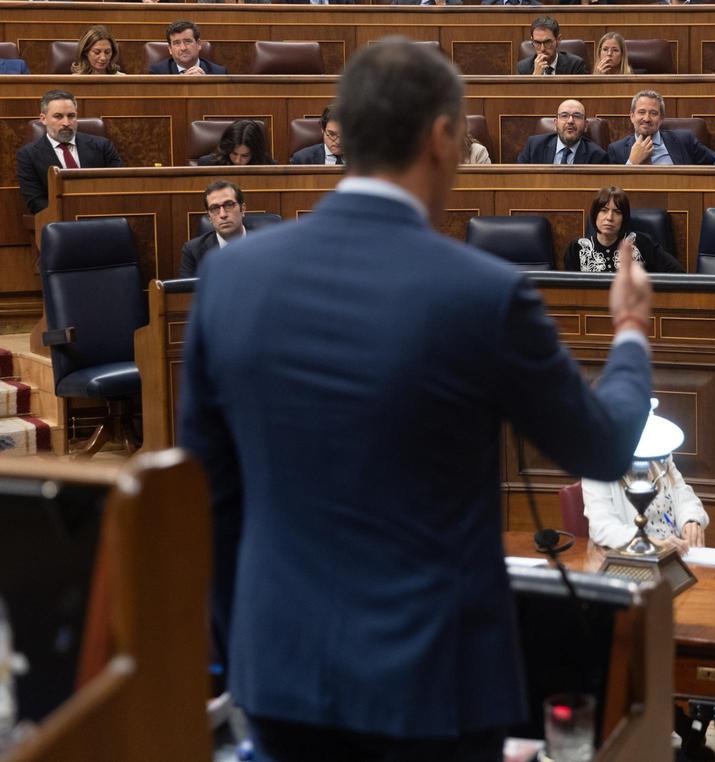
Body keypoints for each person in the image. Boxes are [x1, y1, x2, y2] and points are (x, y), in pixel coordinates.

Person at [179, 37, 652, 762]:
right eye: (461, 137)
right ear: (439, 136)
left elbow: (207, 498)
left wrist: (250, 643)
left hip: (279, 672)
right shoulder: (484, 293)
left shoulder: (231, 280)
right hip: (434, 686)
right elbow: (607, 443)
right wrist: (628, 334)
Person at [16, 89, 123, 214]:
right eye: (58, 116)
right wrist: (71, 214)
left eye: (71, 116)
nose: (66, 123)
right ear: (43, 119)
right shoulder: (28, 155)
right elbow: (35, 201)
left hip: (102, 215)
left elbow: (119, 186)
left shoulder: (102, 146)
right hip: (60, 222)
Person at [583, 454, 707, 551]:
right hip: (634, 565)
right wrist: (648, 543)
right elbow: (602, 528)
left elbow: (681, 491)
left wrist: (690, 521)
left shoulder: (660, 454)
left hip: (677, 556)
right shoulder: (596, 465)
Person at [564, 186, 684, 273]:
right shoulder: (577, 248)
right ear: (595, 215)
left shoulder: (640, 242)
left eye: (617, 212)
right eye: (604, 211)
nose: (609, 218)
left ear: (624, 218)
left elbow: (677, 273)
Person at [607, 90, 715, 165]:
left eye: (653, 113)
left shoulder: (684, 140)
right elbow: (613, 193)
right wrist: (631, 163)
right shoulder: (616, 150)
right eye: (641, 112)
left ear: (661, 118)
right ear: (632, 116)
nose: (646, 118)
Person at [180, 180, 248, 278]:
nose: (223, 215)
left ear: (243, 209)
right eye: (214, 208)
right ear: (209, 217)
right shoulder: (193, 251)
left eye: (229, 205)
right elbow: (188, 292)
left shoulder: (264, 245)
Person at [516, 99, 608, 164]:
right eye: (564, 115)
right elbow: (520, 180)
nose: (570, 121)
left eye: (577, 116)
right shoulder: (534, 146)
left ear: (585, 125)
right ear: (555, 124)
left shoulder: (597, 156)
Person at [148, 21, 226, 75]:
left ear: (198, 44)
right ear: (170, 49)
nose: (183, 48)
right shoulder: (157, 73)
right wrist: (181, 83)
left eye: (188, 42)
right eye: (177, 43)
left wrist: (205, 84)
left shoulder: (219, 73)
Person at [516, 17, 587, 75]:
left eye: (547, 42)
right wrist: (535, 77)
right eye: (537, 43)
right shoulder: (523, 68)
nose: (542, 49)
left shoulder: (575, 65)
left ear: (558, 40)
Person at [198, 120, 275, 166]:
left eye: (245, 156)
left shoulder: (269, 166)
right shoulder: (208, 164)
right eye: (234, 153)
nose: (237, 161)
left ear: (255, 153)